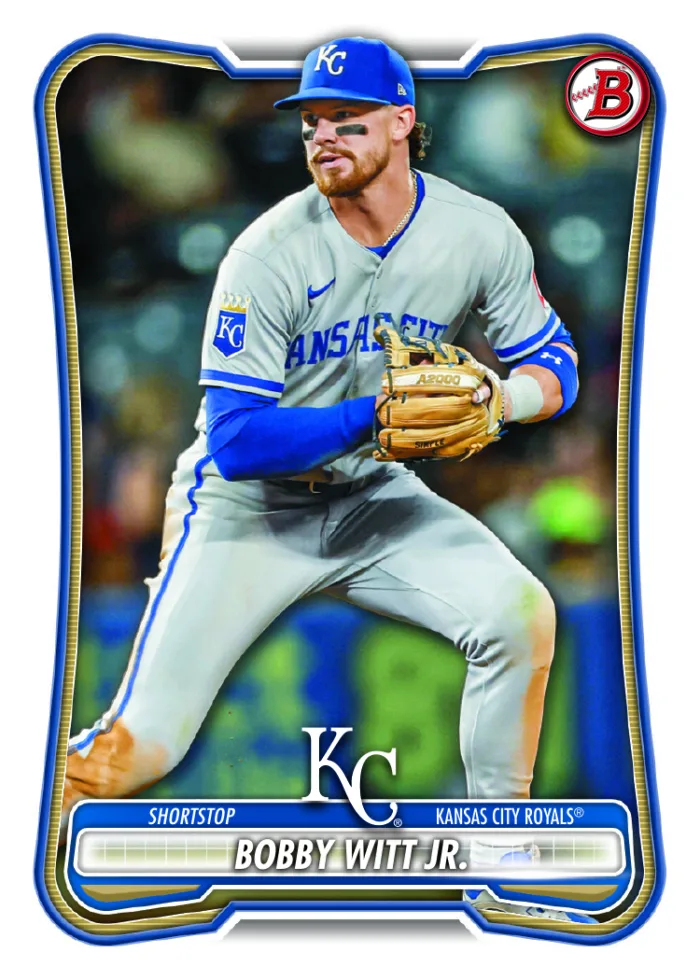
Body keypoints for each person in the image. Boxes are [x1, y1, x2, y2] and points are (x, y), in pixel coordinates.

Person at [62, 37, 590, 923]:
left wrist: (503, 399)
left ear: (403, 122)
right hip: (247, 512)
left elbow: (557, 362)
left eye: (346, 120)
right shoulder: (268, 253)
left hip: (373, 499)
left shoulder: (477, 231)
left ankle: (501, 868)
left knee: (519, 615)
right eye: (312, 122)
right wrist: (369, 418)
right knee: (140, 751)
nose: (323, 138)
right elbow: (237, 441)